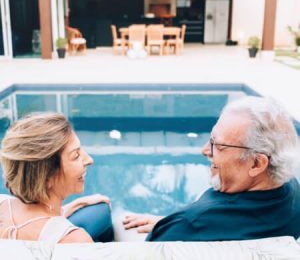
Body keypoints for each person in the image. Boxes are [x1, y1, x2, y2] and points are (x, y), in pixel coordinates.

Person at [123, 96, 300, 241]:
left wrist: (178, 225)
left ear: (256, 164)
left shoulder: (192, 224)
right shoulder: (292, 191)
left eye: (218, 145)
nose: (205, 150)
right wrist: (168, 223)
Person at [0, 113, 113, 244]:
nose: (89, 160)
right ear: (47, 176)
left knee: (101, 209)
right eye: (76, 155)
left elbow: (35, 221)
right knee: (101, 213)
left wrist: (75, 205)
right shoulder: (75, 240)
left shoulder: (2, 204)